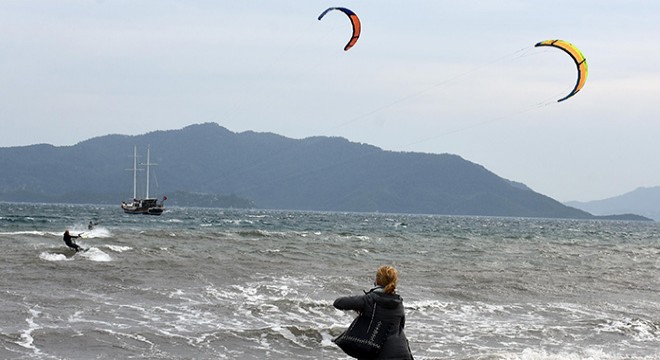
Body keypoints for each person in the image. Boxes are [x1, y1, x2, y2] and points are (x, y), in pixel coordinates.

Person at [333, 265, 413, 359]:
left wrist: (360, 305)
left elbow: (338, 303)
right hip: (403, 353)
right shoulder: (398, 302)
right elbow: (401, 326)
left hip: (378, 354)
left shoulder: (369, 300)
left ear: (377, 280)